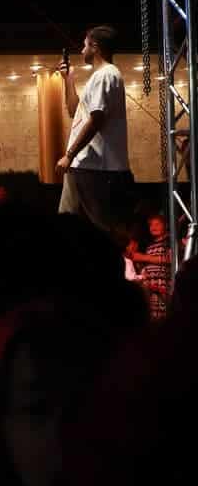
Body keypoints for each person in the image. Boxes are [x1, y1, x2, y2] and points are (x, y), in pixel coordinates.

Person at [57, 25, 129, 229]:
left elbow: (97, 119)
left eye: (84, 45)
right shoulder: (100, 76)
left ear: (95, 46)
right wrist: (68, 79)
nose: (82, 50)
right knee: (68, 221)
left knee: (100, 226)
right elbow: (75, 111)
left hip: (95, 166)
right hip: (84, 164)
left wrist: (69, 154)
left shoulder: (106, 75)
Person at [130, 210, 172, 318]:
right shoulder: (150, 246)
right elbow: (149, 264)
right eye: (151, 225)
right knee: (152, 313)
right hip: (151, 284)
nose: (153, 227)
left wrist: (143, 257)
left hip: (163, 283)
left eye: (157, 224)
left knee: (163, 313)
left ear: (166, 226)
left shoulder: (169, 241)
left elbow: (170, 259)